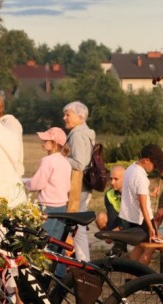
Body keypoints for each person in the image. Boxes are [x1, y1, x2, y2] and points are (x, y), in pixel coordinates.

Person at [118, 144, 163, 264]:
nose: (154, 168)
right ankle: (139, 278)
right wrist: (150, 227)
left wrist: (150, 194)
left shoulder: (130, 168)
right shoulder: (142, 177)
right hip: (142, 218)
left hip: (130, 217)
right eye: (154, 165)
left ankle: (131, 277)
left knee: (140, 246)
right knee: (152, 244)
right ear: (146, 160)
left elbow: (135, 193)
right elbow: (143, 205)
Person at [25, 127, 71, 242]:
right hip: (62, 208)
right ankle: (59, 260)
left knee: (42, 241)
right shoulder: (66, 161)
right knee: (57, 241)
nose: (42, 142)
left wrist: (27, 183)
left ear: (54, 143)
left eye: (45, 141)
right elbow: (67, 186)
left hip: (47, 208)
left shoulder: (47, 160)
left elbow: (37, 184)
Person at [63, 101, 95, 261]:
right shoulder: (86, 133)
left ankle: (81, 262)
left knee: (72, 226)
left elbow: (80, 164)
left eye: (68, 114)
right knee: (79, 228)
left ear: (80, 117)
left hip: (78, 188)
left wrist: (61, 159)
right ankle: (83, 261)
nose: (64, 118)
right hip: (84, 187)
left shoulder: (77, 135)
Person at [95, 165, 125, 231]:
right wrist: (110, 232)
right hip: (118, 217)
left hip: (132, 220)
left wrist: (121, 227)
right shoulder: (109, 194)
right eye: (111, 179)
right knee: (100, 217)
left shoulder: (131, 193)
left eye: (116, 179)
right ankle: (112, 238)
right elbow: (112, 217)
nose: (112, 182)